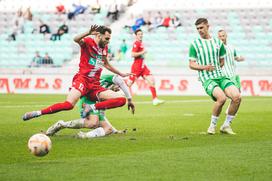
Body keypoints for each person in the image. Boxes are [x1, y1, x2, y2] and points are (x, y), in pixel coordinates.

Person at [23, 25, 133, 121]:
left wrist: (121, 73)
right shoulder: (88, 42)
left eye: (109, 39)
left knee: (121, 100)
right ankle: (38, 113)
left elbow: (106, 64)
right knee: (68, 105)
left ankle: (91, 107)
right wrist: (87, 33)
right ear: (99, 35)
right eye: (107, 38)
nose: (108, 41)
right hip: (83, 80)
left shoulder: (104, 48)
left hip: (95, 85)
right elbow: (75, 39)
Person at [188, 18, 241, 135]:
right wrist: (204, 68)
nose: (199, 30)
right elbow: (191, 64)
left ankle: (226, 125)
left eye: (201, 27)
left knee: (237, 97)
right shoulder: (195, 44)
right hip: (207, 78)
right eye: (197, 28)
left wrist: (215, 68)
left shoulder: (218, 43)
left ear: (208, 26)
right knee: (221, 98)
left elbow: (221, 61)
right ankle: (212, 126)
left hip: (221, 76)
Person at [46, 74, 135, 139]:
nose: (118, 89)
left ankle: (73, 130)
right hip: (87, 100)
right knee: (93, 123)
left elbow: (102, 112)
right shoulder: (106, 78)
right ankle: (66, 126)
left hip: (93, 104)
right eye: (119, 87)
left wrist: (115, 130)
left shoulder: (108, 93)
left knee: (108, 129)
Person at [127, 29, 164, 106]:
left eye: (141, 34)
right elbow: (132, 54)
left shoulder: (141, 43)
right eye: (139, 34)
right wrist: (142, 52)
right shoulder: (136, 43)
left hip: (143, 66)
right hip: (137, 67)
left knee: (152, 80)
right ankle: (114, 90)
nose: (141, 35)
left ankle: (155, 99)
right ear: (136, 36)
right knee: (129, 83)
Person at [218, 29, 245, 114]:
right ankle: (227, 113)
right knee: (233, 95)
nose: (222, 38)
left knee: (238, 95)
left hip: (233, 74)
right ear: (218, 37)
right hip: (225, 75)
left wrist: (240, 58)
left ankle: (230, 109)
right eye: (220, 36)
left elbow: (236, 57)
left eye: (223, 36)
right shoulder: (217, 48)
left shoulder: (231, 47)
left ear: (226, 36)